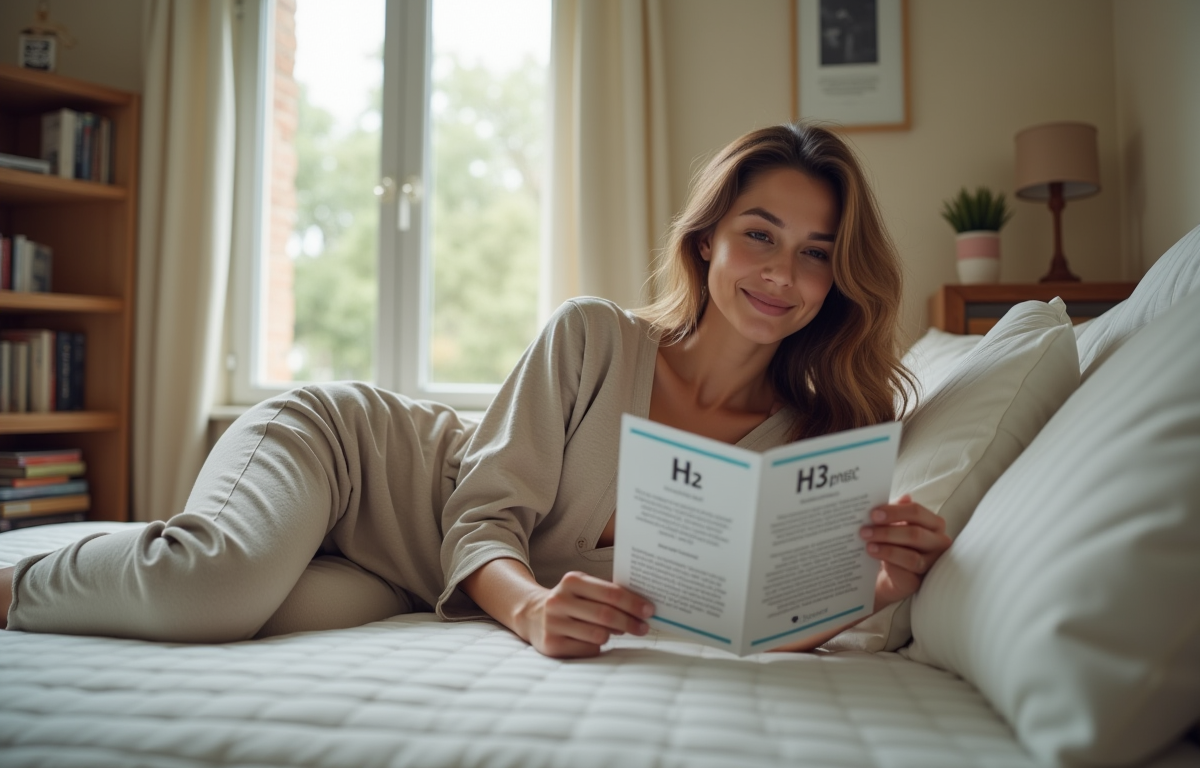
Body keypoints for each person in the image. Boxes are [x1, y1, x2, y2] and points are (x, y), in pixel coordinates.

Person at [0, 122, 951, 658]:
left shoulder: (803, 440)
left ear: (839, 279)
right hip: (356, 462)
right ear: (706, 240)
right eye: (760, 234)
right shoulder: (594, 336)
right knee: (210, 586)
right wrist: (534, 610)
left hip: (410, 579)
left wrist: (872, 585)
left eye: (816, 254)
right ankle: (14, 581)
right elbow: (483, 516)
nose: (782, 273)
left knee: (253, 619)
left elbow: (748, 624)